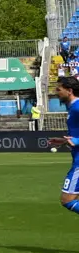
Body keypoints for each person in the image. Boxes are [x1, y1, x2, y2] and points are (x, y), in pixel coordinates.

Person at [51, 77, 79, 214]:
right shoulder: (73, 108)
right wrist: (63, 141)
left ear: (69, 91)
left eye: (58, 89)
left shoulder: (77, 107)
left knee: (67, 200)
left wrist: (77, 141)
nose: (56, 92)